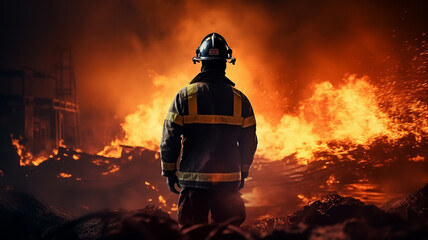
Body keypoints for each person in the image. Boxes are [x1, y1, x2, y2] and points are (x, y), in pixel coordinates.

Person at [160, 33, 257, 227]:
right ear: (226, 63)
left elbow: (170, 137)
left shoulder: (184, 97)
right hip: (228, 184)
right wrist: (243, 173)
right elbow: (249, 142)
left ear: (200, 62)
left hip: (193, 184)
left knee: (192, 233)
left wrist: (169, 172)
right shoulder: (240, 99)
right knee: (227, 235)